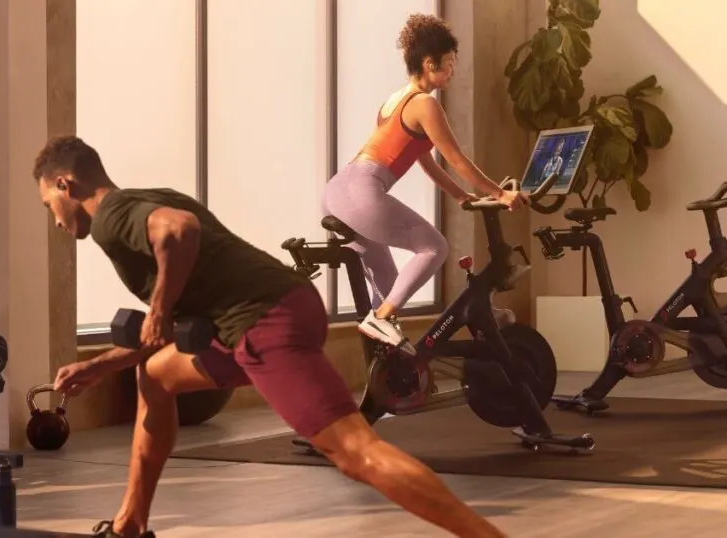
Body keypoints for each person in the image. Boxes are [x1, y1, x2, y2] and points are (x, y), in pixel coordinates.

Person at [34, 136, 509, 538]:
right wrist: (102, 364)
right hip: (260, 315)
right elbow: (182, 305)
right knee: (156, 377)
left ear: (64, 185)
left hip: (265, 322)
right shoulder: (140, 198)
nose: (54, 219)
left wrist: (157, 308)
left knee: (355, 453)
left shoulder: (112, 217)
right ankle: (130, 524)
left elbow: (179, 231)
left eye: (48, 205)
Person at [322, 13, 527, 353]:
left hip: (338, 191)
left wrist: (462, 196)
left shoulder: (393, 101)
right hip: (362, 193)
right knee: (435, 248)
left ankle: (389, 367)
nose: (452, 71)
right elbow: (457, 158)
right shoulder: (425, 105)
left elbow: (426, 161)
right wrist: (500, 193)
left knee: (389, 285)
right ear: (429, 63)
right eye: (448, 64)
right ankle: (382, 318)